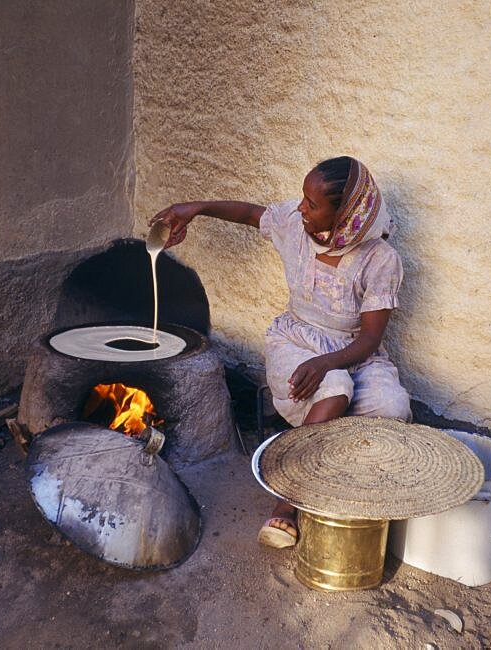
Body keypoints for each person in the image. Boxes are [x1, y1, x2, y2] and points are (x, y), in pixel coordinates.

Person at [149, 156, 411, 548]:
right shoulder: (294, 223)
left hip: (355, 350)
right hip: (297, 340)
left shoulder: (379, 259)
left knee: (393, 407)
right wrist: (196, 208)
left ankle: (321, 455)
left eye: (313, 204)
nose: (301, 207)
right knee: (335, 389)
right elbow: (252, 214)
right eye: (303, 198)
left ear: (345, 215)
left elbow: (370, 339)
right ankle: (288, 498)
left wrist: (326, 362)